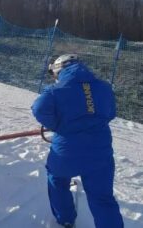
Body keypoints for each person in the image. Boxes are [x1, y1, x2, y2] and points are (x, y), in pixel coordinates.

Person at [31, 54, 123, 228]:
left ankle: (65, 218)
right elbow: (110, 113)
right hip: (100, 153)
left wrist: (57, 124)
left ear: (59, 70)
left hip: (66, 151)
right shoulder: (104, 87)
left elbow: (38, 109)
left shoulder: (54, 90)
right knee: (103, 198)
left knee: (57, 180)